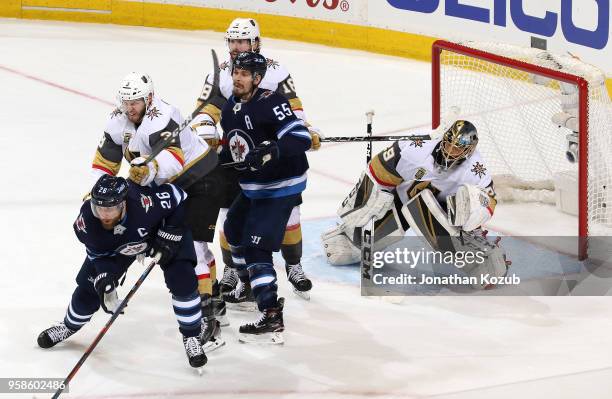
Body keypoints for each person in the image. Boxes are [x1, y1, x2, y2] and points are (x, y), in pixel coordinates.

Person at [190, 18, 319, 307]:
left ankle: (293, 265)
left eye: (243, 41)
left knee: (291, 216)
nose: (236, 47)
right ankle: (233, 270)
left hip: (274, 159)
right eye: (233, 41)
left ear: (255, 42)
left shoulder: (275, 71)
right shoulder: (222, 74)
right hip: (236, 156)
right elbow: (203, 112)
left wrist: (305, 133)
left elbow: (294, 111)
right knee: (228, 218)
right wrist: (208, 133)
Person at [89, 72, 222, 350]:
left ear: (148, 98)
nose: (130, 108)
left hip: (201, 178)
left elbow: (173, 159)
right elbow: (106, 162)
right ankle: (214, 295)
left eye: (135, 101)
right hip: (167, 184)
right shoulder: (117, 120)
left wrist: (149, 169)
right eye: (126, 102)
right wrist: (99, 191)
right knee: (197, 249)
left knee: (193, 248)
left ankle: (207, 318)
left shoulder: (162, 116)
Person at [38, 175, 207, 369]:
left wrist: (171, 231)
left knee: (182, 279)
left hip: (159, 235)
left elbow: (179, 196)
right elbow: (99, 256)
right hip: (120, 245)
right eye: (99, 208)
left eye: (110, 208)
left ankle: (192, 336)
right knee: (89, 290)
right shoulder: (86, 222)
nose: (104, 215)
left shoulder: (144, 204)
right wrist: (105, 279)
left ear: (123, 203)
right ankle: (68, 326)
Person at [321, 120, 509, 288]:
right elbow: (376, 170)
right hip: (400, 201)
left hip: (442, 214)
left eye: (458, 148)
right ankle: (354, 235)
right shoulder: (414, 148)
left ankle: (475, 255)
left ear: (468, 151)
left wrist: (473, 223)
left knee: (451, 210)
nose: (450, 150)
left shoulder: (476, 171)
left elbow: (488, 203)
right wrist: (370, 201)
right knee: (343, 247)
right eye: (448, 143)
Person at [219, 52, 312, 343]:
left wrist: (273, 148)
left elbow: (300, 138)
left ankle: (271, 313)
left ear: (257, 79)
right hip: (254, 188)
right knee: (233, 229)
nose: (238, 77)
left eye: (245, 74)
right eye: (237, 71)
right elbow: (233, 151)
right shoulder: (229, 109)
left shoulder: (271, 101)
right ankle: (248, 285)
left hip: (281, 186)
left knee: (256, 247)